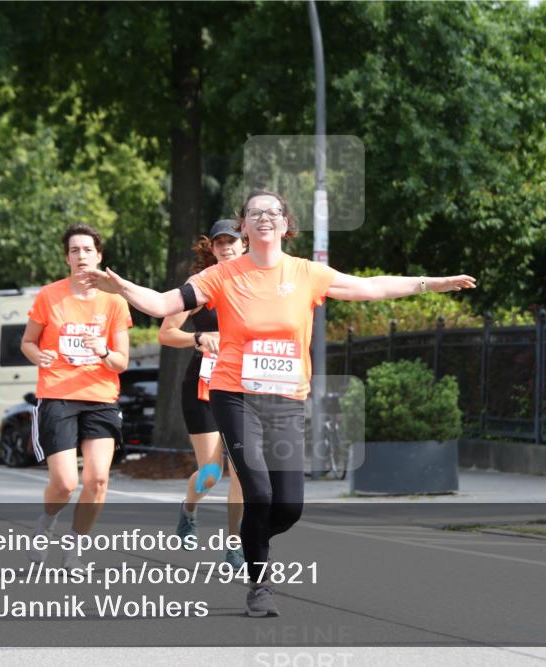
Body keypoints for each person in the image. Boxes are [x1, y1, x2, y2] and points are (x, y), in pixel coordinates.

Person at [81, 190, 476, 617]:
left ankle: (253, 543)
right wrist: (122, 288)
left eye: (273, 212)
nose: (264, 218)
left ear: (287, 224)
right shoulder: (223, 276)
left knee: (288, 506)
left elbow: (371, 288)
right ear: (244, 228)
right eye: (255, 213)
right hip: (235, 396)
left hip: (286, 400)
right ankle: (260, 584)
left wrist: (430, 283)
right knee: (258, 491)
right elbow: (163, 304)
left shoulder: (307, 273)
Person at [20, 223, 131, 571]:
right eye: (74, 250)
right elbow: (27, 342)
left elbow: (121, 362)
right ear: (67, 257)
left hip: (100, 397)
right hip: (57, 395)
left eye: (87, 250)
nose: (81, 256)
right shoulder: (49, 296)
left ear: (99, 256)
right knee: (66, 483)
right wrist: (39, 357)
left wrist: (102, 350)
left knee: (97, 480)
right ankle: (46, 523)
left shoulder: (113, 301)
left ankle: (74, 547)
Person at [158, 219, 245, 568]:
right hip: (204, 386)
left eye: (233, 242)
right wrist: (197, 338)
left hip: (244, 384)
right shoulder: (200, 288)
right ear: (212, 248)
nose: (226, 248)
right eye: (220, 243)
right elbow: (167, 333)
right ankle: (189, 508)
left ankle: (235, 546)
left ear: (246, 245)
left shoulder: (258, 286)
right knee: (212, 471)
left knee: (242, 468)